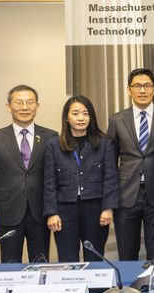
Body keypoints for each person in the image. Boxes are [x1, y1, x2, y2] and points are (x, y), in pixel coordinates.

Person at [0, 85, 57, 263]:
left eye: (30, 102)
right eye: (19, 102)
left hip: (40, 211)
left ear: (37, 106)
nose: (25, 107)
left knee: (40, 263)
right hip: (7, 211)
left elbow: (53, 178)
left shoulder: (51, 137)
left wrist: (54, 209)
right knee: (9, 262)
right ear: (9, 106)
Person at [107, 68, 154, 261]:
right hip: (126, 195)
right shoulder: (116, 120)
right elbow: (110, 162)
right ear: (129, 90)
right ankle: (128, 291)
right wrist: (110, 199)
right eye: (137, 86)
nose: (142, 90)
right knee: (127, 253)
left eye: (147, 85)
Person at [43, 96, 119, 262]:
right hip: (64, 211)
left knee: (95, 257)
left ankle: (95, 289)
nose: (81, 118)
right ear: (67, 118)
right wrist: (51, 213)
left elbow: (111, 177)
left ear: (91, 117)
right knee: (67, 259)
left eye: (85, 113)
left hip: (95, 208)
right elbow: (49, 182)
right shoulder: (54, 145)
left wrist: (108, 208)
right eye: (75, 113)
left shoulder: (104, 143)